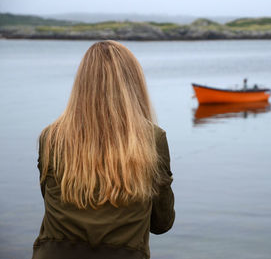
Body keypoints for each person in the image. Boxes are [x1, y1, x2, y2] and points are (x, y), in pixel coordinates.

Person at [32, 40, 175, 259]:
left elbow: (51, 203)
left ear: (81, 83)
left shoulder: (51, 137)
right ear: (134, 83)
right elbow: (161, 223)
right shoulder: (152, 138)